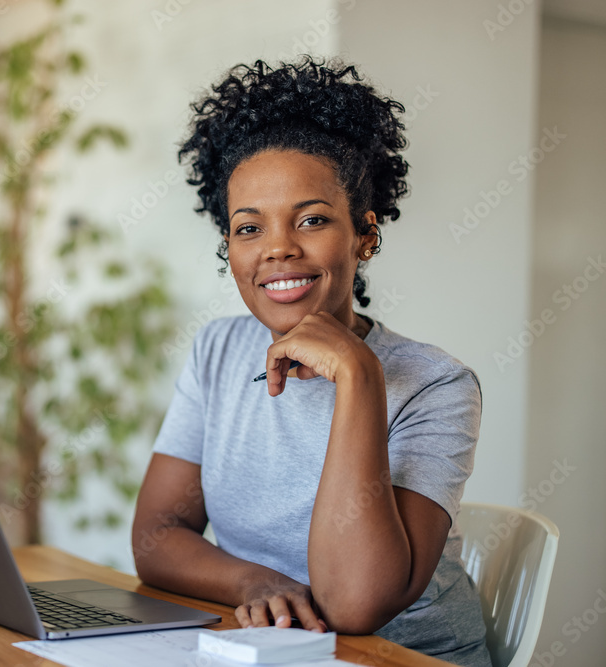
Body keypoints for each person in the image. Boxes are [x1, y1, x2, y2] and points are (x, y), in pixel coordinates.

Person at [132, 57, 492, 667]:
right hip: (265, 649)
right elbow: (156, 537)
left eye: (313, 220)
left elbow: (355, 607)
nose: (278, 248)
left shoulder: (437, 383)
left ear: (364, 236)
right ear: (230, 249)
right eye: (249, 228)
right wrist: (254, 583)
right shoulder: (217, 350)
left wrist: (359, 375)